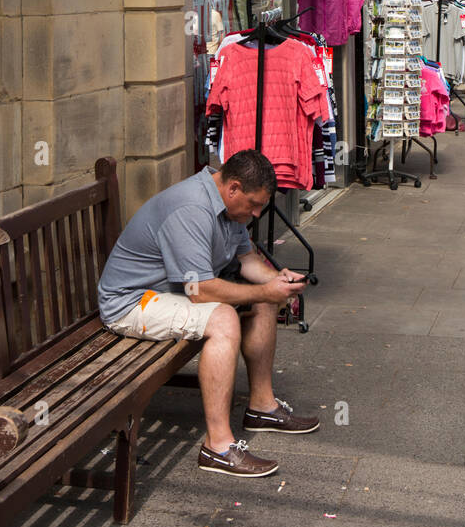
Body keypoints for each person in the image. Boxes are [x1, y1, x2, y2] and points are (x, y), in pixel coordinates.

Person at [97, 149, 318, 480]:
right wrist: (264, 290)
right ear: (233, 188)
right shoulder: (191, 208)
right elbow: (199, 290)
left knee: (263, 300)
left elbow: (246, 260)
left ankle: (262, 407)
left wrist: (277, 281)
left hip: (168, 293)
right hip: (130, 303)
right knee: (224, 318)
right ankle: (218, 447)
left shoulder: (230, 210)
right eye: (254, 204)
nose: (257, 214)